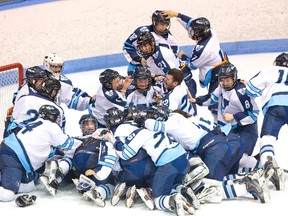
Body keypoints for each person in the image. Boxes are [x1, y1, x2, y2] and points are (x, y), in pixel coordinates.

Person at [103, 107, 196, 216]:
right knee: (171, 183)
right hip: (183, 159)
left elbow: (126, 154)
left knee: (158, 197)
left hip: (168, 164)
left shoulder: (139, 132)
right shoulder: (156, 125)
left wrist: (112, 140)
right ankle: (182, 191)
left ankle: (172, 199)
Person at [0, 104, 82, 203]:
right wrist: (88, 141)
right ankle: (6, 184)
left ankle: (3, 179)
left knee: (29, 186)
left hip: (13, 155)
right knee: (7, 195)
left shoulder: (37, 122)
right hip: (13, 158)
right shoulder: (51, 126)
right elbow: (71, 144)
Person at [190, 62, 260, 173]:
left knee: (240, 159)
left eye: (227, 80)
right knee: (226, 155)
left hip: (246, 129)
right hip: (231, 129)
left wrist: (234, 116)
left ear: (234, 78)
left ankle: (261, 165)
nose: (225, 83)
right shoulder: (221, 87)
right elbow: (212, 98)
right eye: (222, 80)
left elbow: (254, 113)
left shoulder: (241, 94)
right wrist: (197, 100)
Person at [163, 10, 229, 119]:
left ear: (199, 34)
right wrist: (177, 15)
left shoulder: (203, 50)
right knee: (217, 99)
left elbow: (192, 65)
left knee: (216, 102)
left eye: (194, 32)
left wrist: (183, 56)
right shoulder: (210, 32)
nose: (191, 32)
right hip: (221, 65)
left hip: (217, 75)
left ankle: (221, 124)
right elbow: (191, 23)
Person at [245, 53, 288, 191]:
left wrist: (257, 92)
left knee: (267, 139)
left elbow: (251, 88)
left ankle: (268, 164)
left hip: (276, 107)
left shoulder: (271, 70)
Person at [65, 114, 118, 207]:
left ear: (96, 125)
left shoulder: (102, 135)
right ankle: (56, 177)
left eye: (92, 124)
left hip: (94, 168)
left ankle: (98, 192)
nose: (89, 126)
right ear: (81, 127)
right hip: (80, 168)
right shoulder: (76, 138)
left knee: (107, 182)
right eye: (86, 124)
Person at [123, 10, 179, 76]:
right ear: (154, 22)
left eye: (166, 24)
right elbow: (127, 46)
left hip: (157, 69)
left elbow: (174, 51)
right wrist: (139, 59)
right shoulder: (141, 32)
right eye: (161, 24)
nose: (163, 27)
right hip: (137, 67)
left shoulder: (168, 36)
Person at [3, 66, 50, 138]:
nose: (43, 83)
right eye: (40, 81)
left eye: (44, 80)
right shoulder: (25, 94)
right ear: (32, 80)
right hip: (18, 130)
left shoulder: (32, 87)